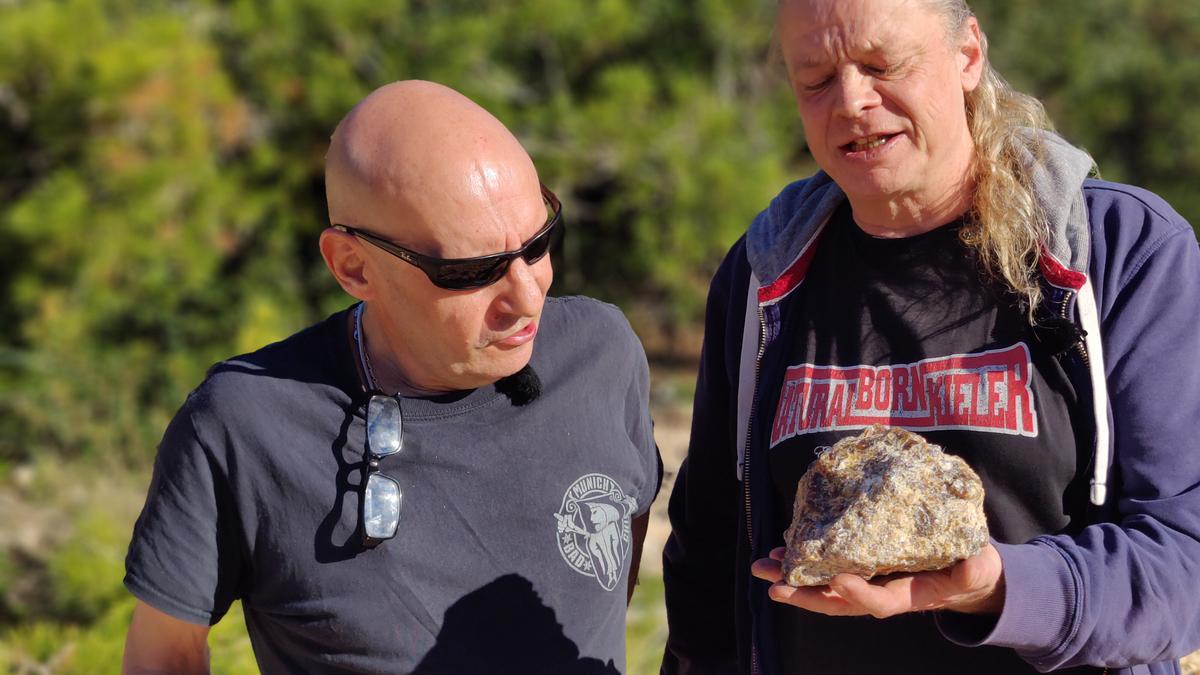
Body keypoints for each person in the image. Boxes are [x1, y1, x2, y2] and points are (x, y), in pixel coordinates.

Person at [661, 0, 1200, 673]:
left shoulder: (1121, 252)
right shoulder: (763, 274)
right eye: (816, 78)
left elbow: (1185, 559)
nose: (853, 101)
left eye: (882, 64)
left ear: (968, 54)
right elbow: (709, 561)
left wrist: (998, 587)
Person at [121, 80, 661, 674]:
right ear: (352, 267)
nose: (527, 297)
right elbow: (164, 656)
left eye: (538, 244)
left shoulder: (602, 354)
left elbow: (618, 562)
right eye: (472, 271)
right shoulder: (242, 423)